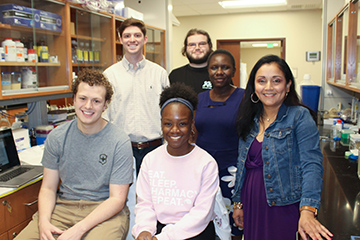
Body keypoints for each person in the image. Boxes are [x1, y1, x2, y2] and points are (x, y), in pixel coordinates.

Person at [15, 68, 133, 240]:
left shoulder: (119, 141)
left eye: (96, 101)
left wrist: (79, 230)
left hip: (104, 212)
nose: (88, 106)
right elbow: (48, 188)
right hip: (62, 209)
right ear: (74, 99)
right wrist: (44, 222)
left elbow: (117, 200)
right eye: (83, 98)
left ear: (106, 104)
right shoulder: (57, 137)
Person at [232, 55, 333, 240]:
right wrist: (238, 202)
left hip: (283, 206)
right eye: (261, 81)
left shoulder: (299, 117)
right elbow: (242, 166)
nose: (268, 87)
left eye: (276, 81)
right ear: (254, 86)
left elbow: (312, 165)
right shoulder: (248, 119)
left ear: (287, 86)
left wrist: (308, 210)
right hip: (251, 202)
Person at [132, 83, 219, 240]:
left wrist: (164, 238)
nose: (174, 130)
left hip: (196, 231)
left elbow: (201, 214)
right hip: (158, 229)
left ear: (192, 124)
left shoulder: (206, 163)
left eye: (182, 124)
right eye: (168, 123)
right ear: (161, 124)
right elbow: (145, 204)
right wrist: (144, 230)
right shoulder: (150, 160)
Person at [103, 18, 169, 175]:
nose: (132, 40)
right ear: (120, 39)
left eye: (137, 35)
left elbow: (168, 112)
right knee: (124, 197)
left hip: (155, 148)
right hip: (122, 149)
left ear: (145, 39)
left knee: (154, 196)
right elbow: (104, 116)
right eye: (127, 36)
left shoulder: (159, 73)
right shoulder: (109, 75)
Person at [194, 49, 244, 240]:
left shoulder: (245, 98)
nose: (219, 72)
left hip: (232, 170)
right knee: (204, 221)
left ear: (233, 70)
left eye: (225, 67)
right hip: (203, 170)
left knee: (234, 224)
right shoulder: (199, 99)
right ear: (208, 71)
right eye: (214, 67)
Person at [169, 28, 213, 94]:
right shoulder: (175, 75)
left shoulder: (219, 75)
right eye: (192, 44)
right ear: (185, 48)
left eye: (202, 43)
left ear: (209, 46)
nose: (197, 48)